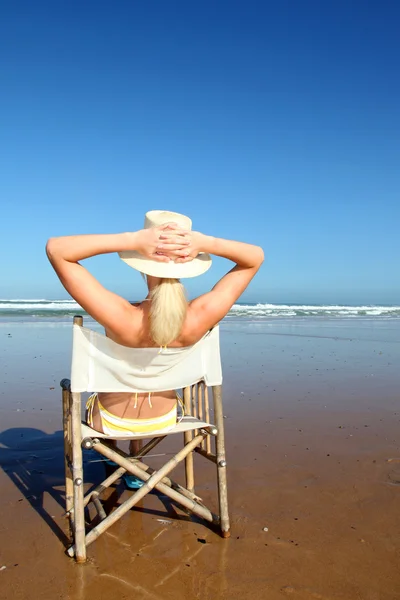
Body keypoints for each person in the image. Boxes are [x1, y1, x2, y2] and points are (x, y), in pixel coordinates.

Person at [46, 210, 264, 440]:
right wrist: (204, 242)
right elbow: (255, 258)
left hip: (110, 422)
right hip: (165, 419)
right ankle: (135, 470)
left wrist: (133, 239)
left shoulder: (121, 316)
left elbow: (56, 249)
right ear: (188, 263)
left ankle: (120, 465)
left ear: (140, 264)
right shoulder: (201, 315)